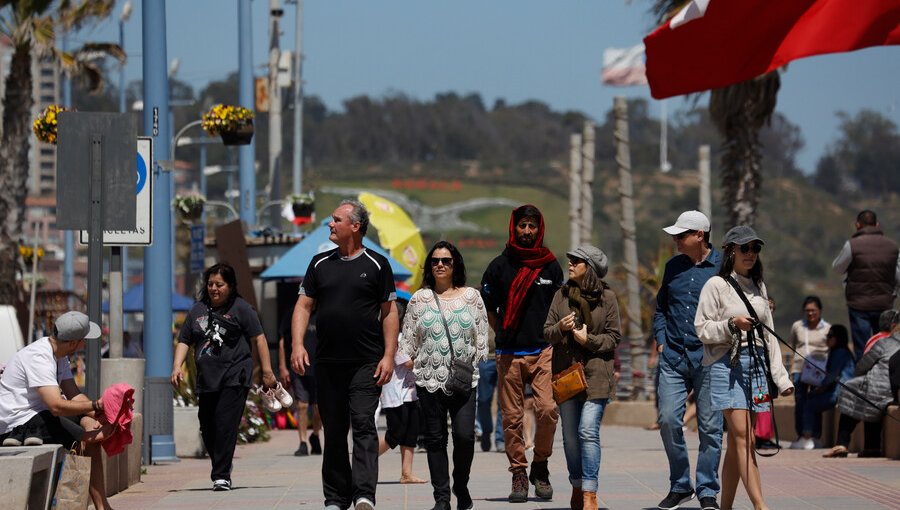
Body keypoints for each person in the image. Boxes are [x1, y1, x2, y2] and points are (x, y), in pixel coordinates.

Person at [291, 200, 399, 510]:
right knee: (334, 430)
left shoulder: (378, 265)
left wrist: (388, 355)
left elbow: (389, 312)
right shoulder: (319, 264)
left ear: (355, 226)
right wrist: (298, 344)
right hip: (327, 364)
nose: (330, 224)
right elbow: (303, 306)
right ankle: (336, 497)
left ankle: (364, 494)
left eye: (336, 219)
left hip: (366, 363)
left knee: (364, 424)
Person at [695, 225, 794, 510]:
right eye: (745, 248)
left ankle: (725, 506)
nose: (751, 254)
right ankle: (761, 506)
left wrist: (782, 377)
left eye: (755, 248)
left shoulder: (759, 286)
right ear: (731, 251)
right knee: (743, 438)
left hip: (757, 365)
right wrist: (731, 325)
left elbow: (769, 335)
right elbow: (702, 329)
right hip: (727, 364)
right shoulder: (716, 285)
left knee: (740, 442)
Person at [172, 263, 282, 491]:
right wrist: (176, 367)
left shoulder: (242, 309)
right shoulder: (197, 310)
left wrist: (268, 371)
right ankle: (222, 466)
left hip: (235, 376)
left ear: (230, 286)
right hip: (207, 379)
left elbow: (259, 339)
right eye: (210, 284)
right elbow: (184, 340)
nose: (214, 288)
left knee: (225, 425)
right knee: (207, 427)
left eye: (219, 284)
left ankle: (220, 475)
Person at [480, 204, 563, 503]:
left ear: (539, 229)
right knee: (512, 417)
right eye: (522, 226)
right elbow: (488, 306)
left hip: (543, 350)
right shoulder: (499, 266)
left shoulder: (551, 266)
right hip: (509, 352)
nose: (527, 231)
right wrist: (502, 330)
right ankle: (519, 473)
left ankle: (540, 464)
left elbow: (559, 307)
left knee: (547, 410)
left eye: (532, 226)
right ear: (513, 227)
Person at [401, 241, 489, 510]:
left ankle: (460, 484)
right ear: (430, 266)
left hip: (463, 380)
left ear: (455, 265)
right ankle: (441, 498)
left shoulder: (472, 297)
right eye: (435, 261)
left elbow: (482, 335)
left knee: (464, 437)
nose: (440, 264)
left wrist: (475, 361)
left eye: (446, 261)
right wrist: (410, 359)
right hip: (429, 379)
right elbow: (407, 339)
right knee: (435, 439)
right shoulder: (419, 299)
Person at [0, 311, 116, 510]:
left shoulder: (59, 355)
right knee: (88, 440)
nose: (85, 344)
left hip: (38, 413)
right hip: (19, 422)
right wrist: (98, 408)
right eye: (84, 340)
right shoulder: (39, 357)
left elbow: (74, 395)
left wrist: (99, 415)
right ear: (72, 343)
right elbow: (55, 405)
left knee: (91, 428)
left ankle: (101, 505)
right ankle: (80, 505)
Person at [652, 210, 723, 510]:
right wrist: (661, 341)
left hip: (711, 357)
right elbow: (661, 308)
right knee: (668, 419)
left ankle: (707, 489)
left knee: (710, 427)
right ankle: (680, 485)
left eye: (681, 235)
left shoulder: (724, 266)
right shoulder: (672, 267)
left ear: (700, 235)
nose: (676, 240)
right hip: (673, 356)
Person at [544, 245, 621, 510]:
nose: (571, 264)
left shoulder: (608, 298)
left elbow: (614, 337)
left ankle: (590, 492)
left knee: (587, 431)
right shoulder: (560, 295)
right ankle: (576, 485)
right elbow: (547, 332)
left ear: (590, 267)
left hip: (598, 373)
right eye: (570, 260)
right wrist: (560, 328)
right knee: (570, 436)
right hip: (566, 374)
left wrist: (588, 340)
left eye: (577, 261)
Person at [824, 320, 900, 458]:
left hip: (875, 386)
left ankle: (842, 443)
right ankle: (872, 447)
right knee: (873, 405)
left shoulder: (884, 343)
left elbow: (862, 366)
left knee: (851, 390)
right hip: (892, 392)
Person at [832, 209, 900, 360]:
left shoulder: (853, 245)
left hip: (859, 306)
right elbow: (898, 276)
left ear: (857, 225)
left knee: (863, 350)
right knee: (885, 348)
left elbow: (838, 268)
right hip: (884, 304)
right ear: (877, 224)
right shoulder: (893, 247)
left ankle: (863, 380)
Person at [378, 298, 426, 484]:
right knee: (395, 434)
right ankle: (364, 461)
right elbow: (409, 363)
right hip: (394, 395)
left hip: (410, 393)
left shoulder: (405, 339)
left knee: (411, 433)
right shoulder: (394, 340)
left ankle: (407, 473)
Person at [786, 296, 830, 449]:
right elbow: (793, 344)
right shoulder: (798, 326)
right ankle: (802, 436)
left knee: (815, 403)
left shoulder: (827, 328)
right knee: (800, 403)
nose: (810, 313)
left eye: (813, 310)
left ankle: (815, 435)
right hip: (799, 369)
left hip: (819, 371)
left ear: (820, 311)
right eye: (807, 311)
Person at [800, 324, 854, 446]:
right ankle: (816, 437)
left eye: (830, 336)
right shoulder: (841, 352)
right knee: (813, 400)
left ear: (838, 338)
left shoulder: (840, 353)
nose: (827, 339)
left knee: (809, 404)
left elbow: (832, 376)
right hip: (840, 391)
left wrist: (820, 389)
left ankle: (807, 438)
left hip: (840, 393)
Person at [277, 311, 321, 456]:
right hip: (297, 366)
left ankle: (315, 436)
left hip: (319, 367)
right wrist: (283, 367)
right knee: (302, 405)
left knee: (317, 408)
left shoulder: (322, 310)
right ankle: (302, 442)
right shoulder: (293, 313)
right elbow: (282, 341)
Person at [475, 334, 505, 453]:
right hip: (485, 358)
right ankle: (486, 431)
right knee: (483, 400)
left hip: (503, 355)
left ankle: (500, 439)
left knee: (503, 401)